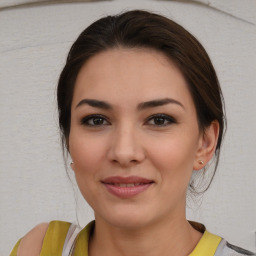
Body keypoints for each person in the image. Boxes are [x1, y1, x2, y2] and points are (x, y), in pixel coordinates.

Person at [10, 10, 255, 256]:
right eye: (96, 120)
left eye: (159, 120)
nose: (124, 152)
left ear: (205, 143)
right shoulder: (38, 250)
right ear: (69, 139)